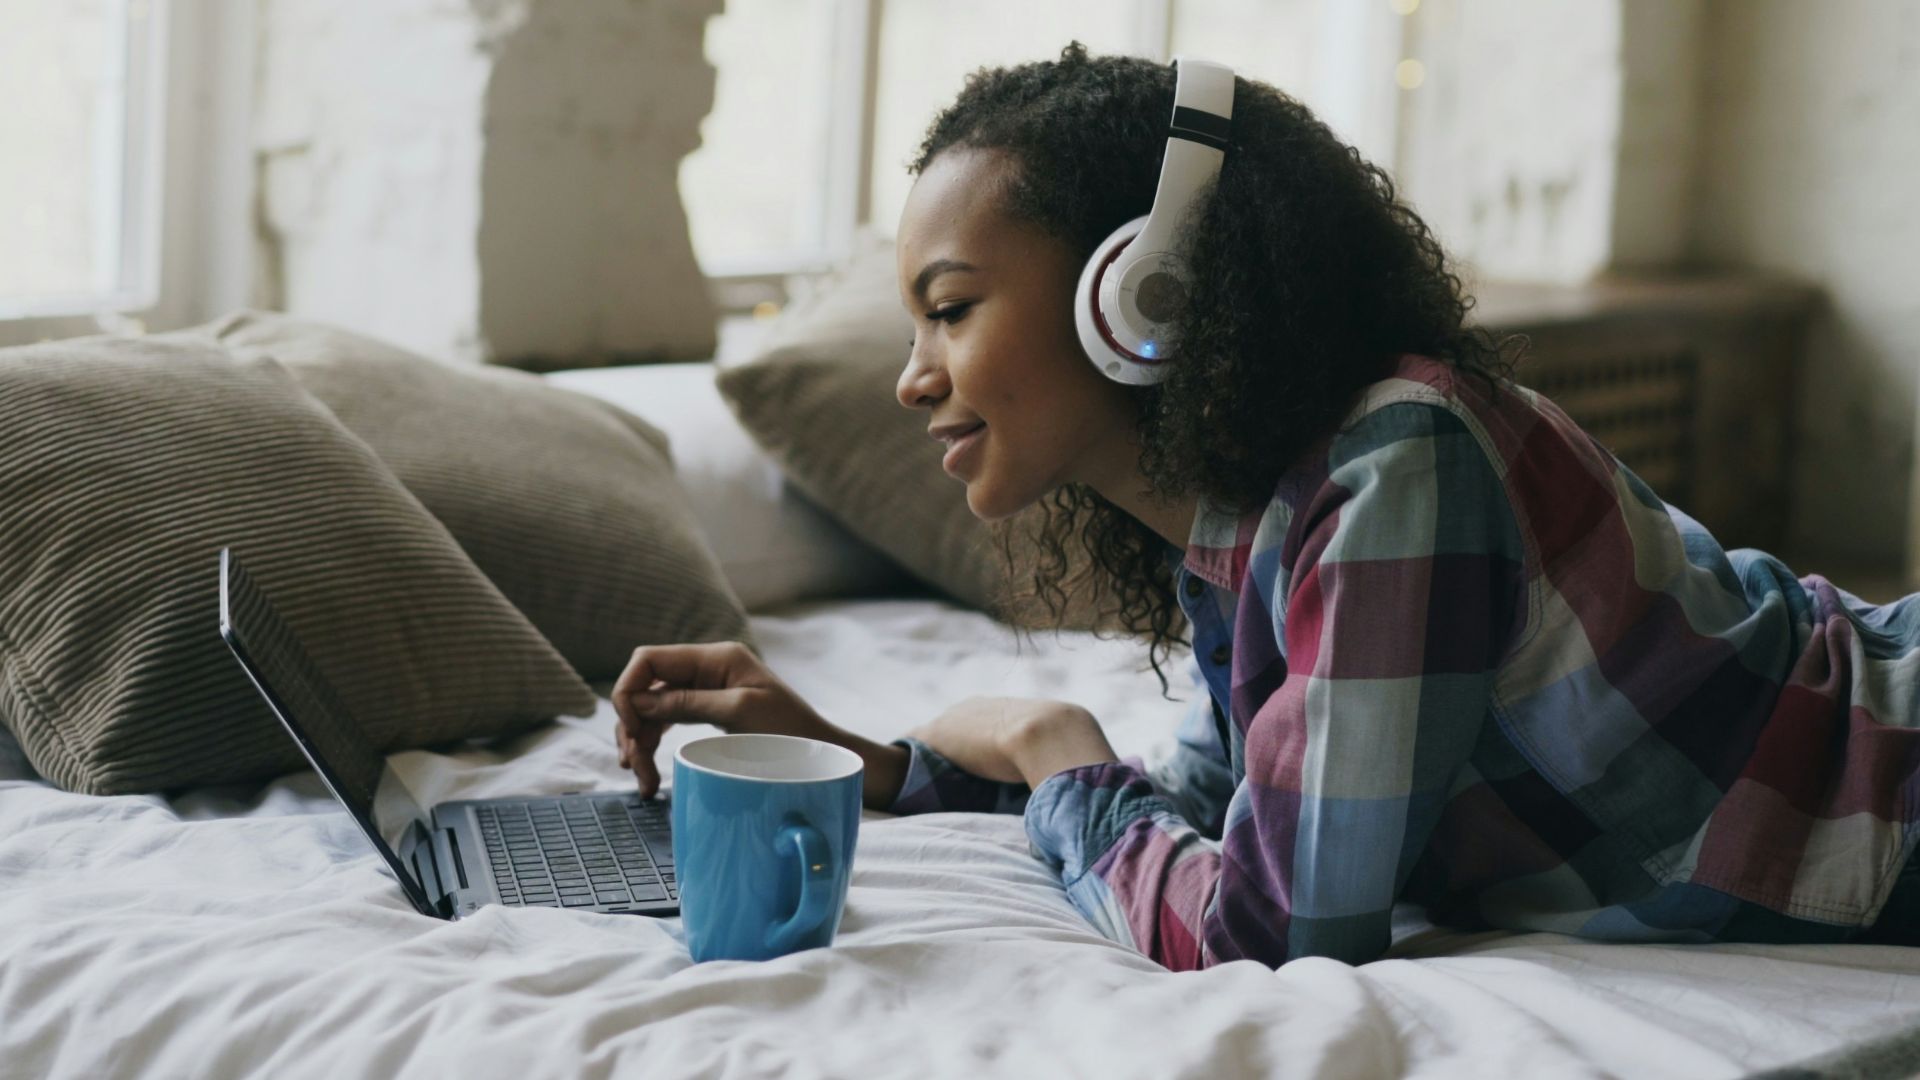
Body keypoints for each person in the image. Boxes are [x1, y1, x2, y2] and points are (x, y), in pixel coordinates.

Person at [613, 43, 1920, 970]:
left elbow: (1274, 928)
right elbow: (1210, 805)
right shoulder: (1256, 521)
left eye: (950, 310)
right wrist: (862, 759)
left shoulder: (1394, 466)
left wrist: (1055, 740)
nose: (913, 378)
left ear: (1140, 291)